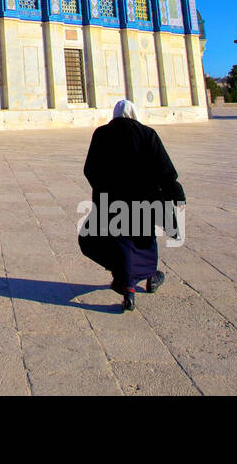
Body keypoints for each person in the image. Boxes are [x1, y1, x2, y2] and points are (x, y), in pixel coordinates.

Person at [79, 100, 186, 311]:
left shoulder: (102, 134)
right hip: (144, 200)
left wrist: (103, 189)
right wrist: (174, 190)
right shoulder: (147, 133)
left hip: (112, 202)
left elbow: (90, 169)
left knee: (116, 241)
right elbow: (163, 167)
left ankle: (127, 280)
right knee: (144, 240)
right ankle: (144, 278)